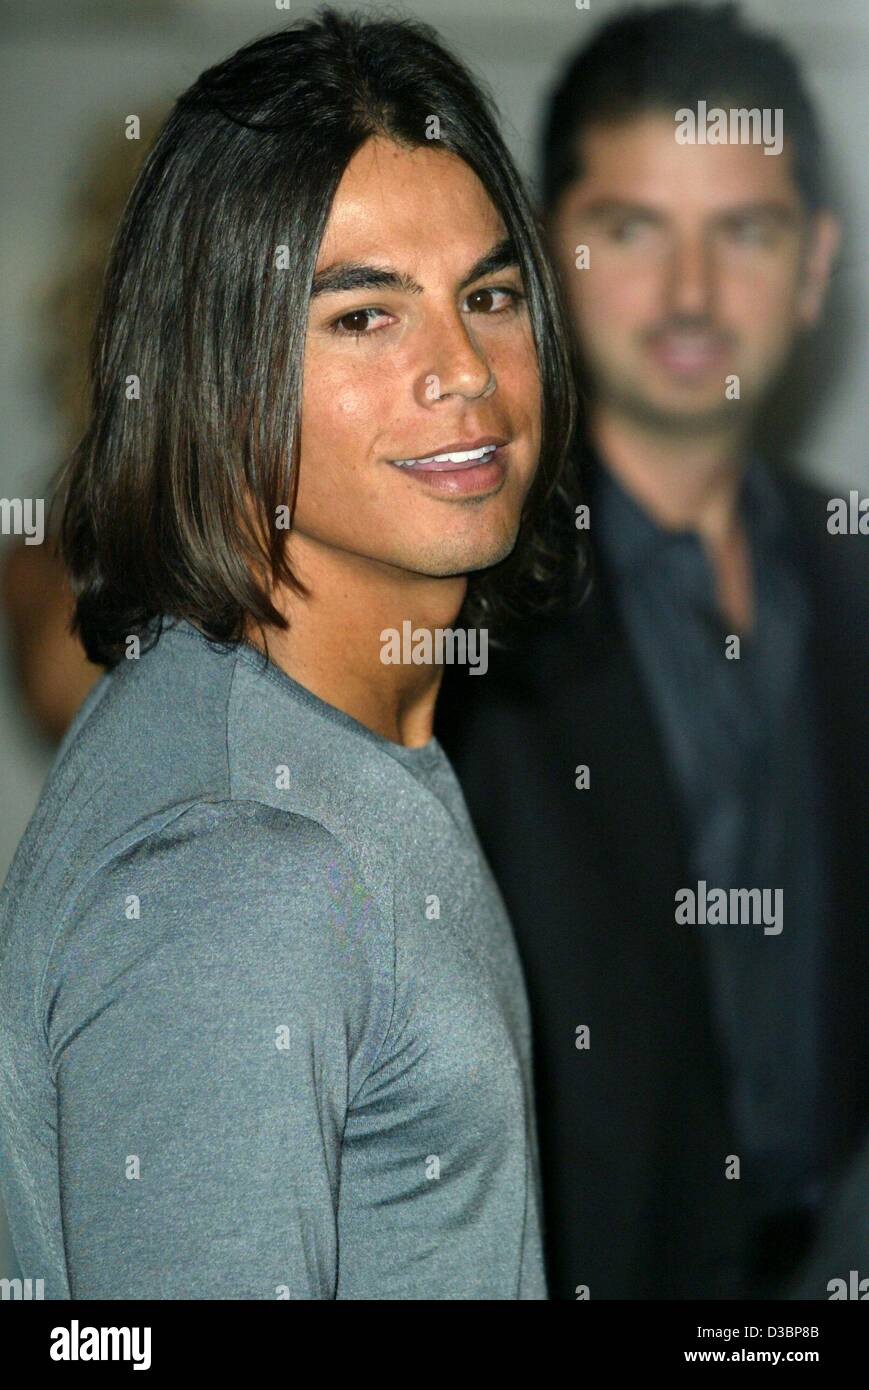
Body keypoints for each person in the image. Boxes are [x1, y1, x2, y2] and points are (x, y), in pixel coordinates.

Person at [0, 9, 580, 1299]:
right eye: (364, 318)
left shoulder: (319, 736)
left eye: (487, 296)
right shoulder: (239, 871)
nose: (464, 375)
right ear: (213, 367)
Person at [438, 2, 868, 1300]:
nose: (688, 294)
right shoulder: (452, 599)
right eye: (631, 231)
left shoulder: (854, 577)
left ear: (813, 265)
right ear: (543, 263)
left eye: (741, 232)